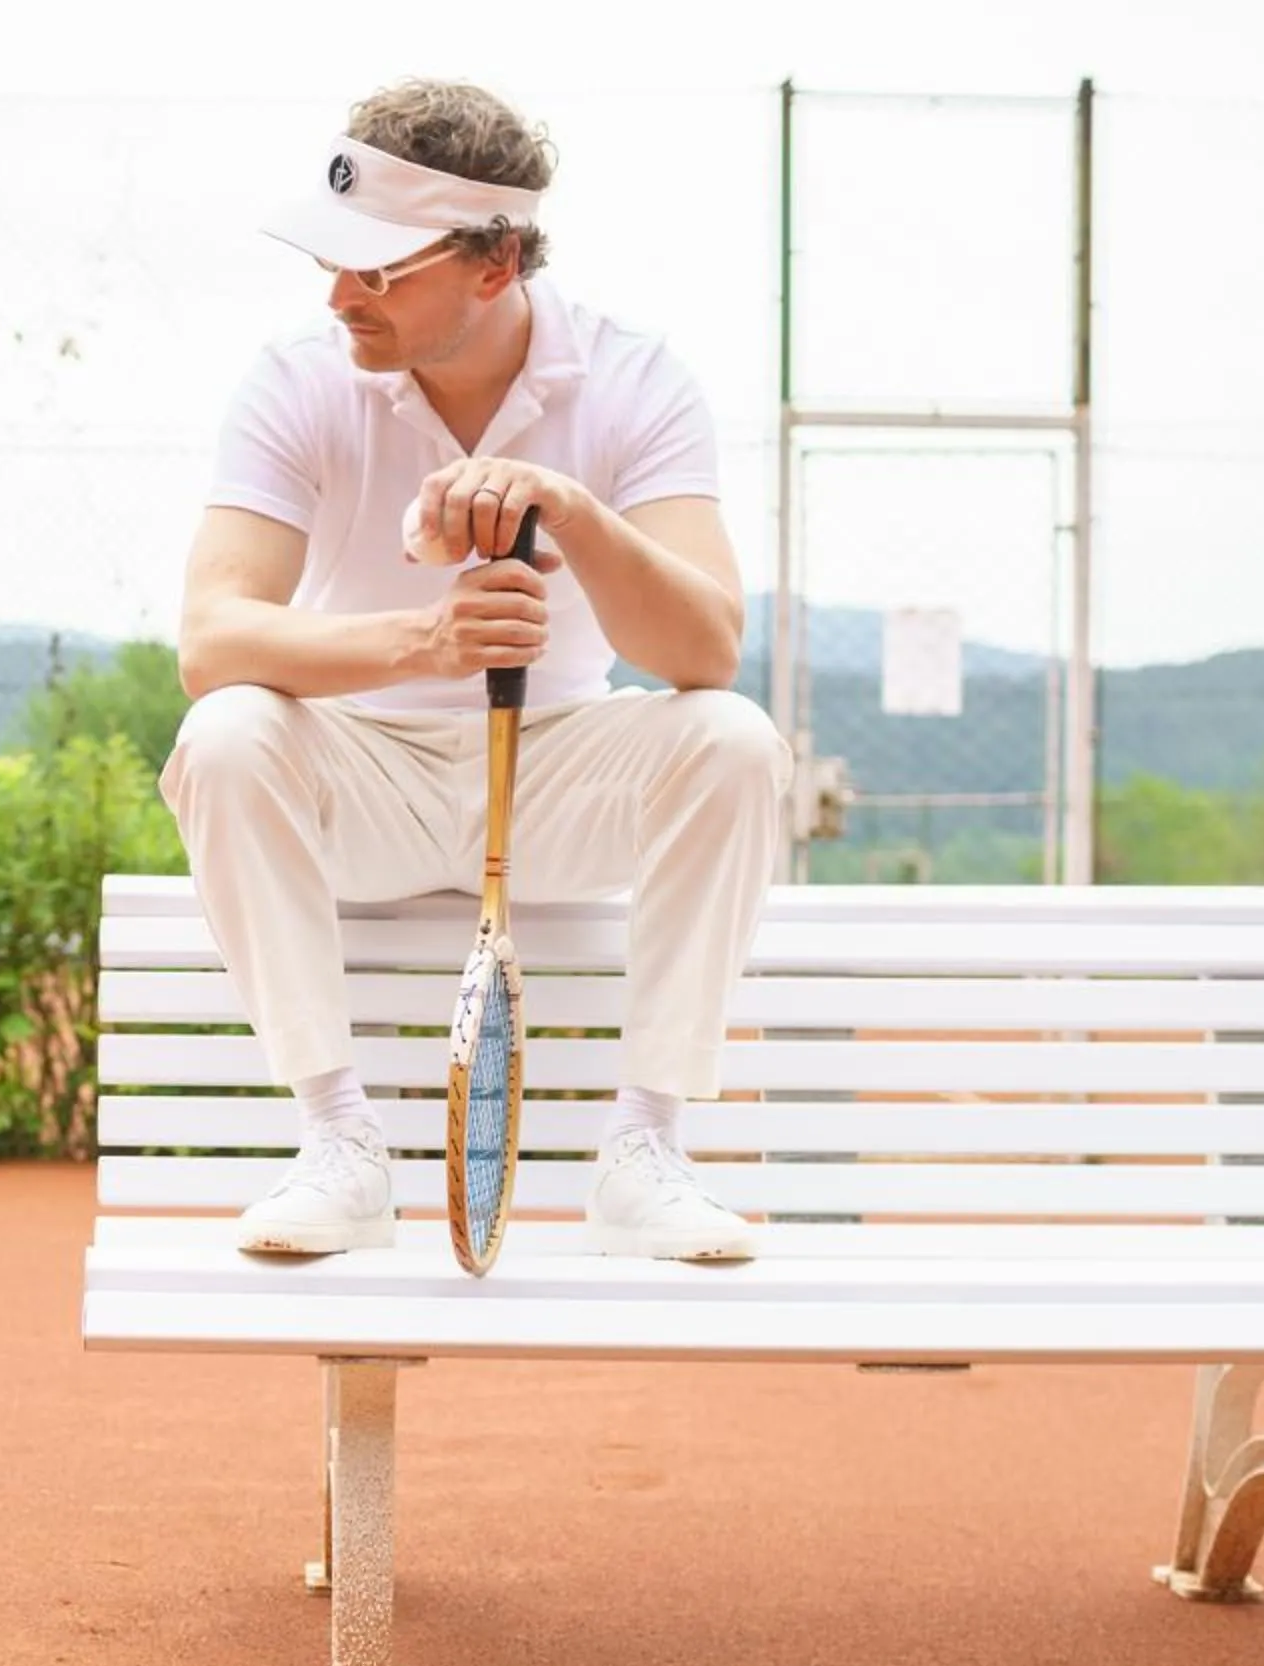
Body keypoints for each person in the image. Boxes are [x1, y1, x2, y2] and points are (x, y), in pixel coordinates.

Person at [164, 77, 793, 1260]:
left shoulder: (637, 379)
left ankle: (645, 1150)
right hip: (360, 779)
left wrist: (574, 512)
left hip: (559, 784)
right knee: (228, 732)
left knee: (736, 740)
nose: (340, 295)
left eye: (378, 269)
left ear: (496, 261)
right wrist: (426, 641)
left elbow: (705, 650)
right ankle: (338, 1142)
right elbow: (213, 640)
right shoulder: (296, 377)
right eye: (333, 260)